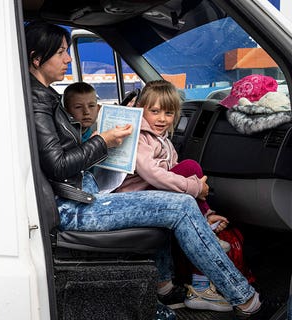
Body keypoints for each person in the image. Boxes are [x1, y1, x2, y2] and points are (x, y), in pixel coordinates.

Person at [25, 21, 261, 318]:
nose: (68, 59)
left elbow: (64, 155)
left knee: (164, 198)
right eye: (61, 53)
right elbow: (58, 165)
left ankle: (163, 288)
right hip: (74, 206)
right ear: (37, 59)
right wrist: (103, 140)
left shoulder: (45, 97)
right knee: (183, 206)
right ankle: (243, 298)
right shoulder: (38, 103)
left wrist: (106, 141)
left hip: (81, 193)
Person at [115, 80, 239, 312]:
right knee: (191, 168)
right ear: (141, 109)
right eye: (155, 111)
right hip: (134, 198)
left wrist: (202, 203)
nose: (162, 118)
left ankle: (206, 221)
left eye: (169, 113)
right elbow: (153, 174)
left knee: (187, 171)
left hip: (149, 193)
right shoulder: (140, 137)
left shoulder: (161, 139)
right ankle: (205, 229)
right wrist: (195, 188)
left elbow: (171, 168)